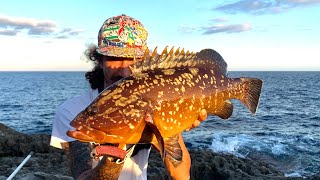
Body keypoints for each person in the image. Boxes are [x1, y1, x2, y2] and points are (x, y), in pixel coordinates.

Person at [50, 14, 207, 180]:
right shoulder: (72, 111)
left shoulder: (158, 103)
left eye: (134, 59)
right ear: (100, 61)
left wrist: (170, 128)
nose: (125, 71)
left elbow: (181, 176)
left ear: (145, 62)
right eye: (115, 58)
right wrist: (114, 151)